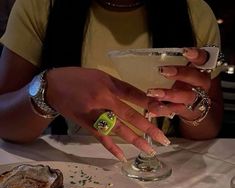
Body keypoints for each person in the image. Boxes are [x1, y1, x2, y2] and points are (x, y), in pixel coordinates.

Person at [0, 0, 223, 162]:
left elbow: (209, 128)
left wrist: (193, 107)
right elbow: (5, 121)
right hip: (73, 166)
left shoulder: (195, 12)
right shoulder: (39, 5)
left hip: (173, 170)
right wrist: (48, 90)